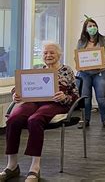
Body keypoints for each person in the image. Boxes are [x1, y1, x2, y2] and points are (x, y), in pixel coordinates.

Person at [0, 42, 78, 182]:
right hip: (33, 102)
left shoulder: (66, 70)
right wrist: (15, 94)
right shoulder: (37, 69)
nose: (48, 55)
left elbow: (75, 95)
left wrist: (65, 97)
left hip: (55, 104)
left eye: (52, 52)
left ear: (59, 55)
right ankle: (12, 166)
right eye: (45, 53)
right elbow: (22, 87)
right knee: (13, 118)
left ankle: (35, 167)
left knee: (35, 119)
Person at [76, 18, 105, 128]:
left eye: (94, 25)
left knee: (101, 98)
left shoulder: (104, 40)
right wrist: (79, 64)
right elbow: (78, 56)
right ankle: (85, 120)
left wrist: (104, 61)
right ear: (86, 29)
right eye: (90, 26)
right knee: (86, 98)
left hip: (100, 73)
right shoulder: (81, 42)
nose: (92, 28)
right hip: (85, 74)